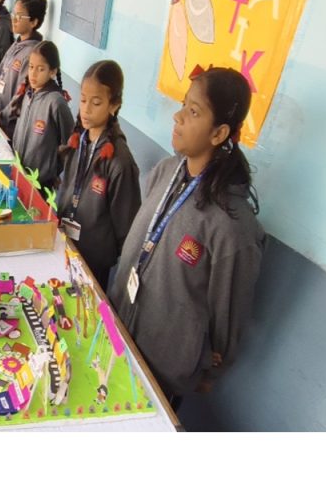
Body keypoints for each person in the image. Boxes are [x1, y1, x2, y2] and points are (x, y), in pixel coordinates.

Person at [108, 67, 265, 403]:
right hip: (117, 331)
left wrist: (209, 370)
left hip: (162, 368)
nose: (177, 117)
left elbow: (228, 314)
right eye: (183, 105)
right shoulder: (166, 171)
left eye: (193, 112)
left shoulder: (232, 226)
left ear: (219, 133)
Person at [55, 60, 141, 289]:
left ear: (114, 105)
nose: (86, 109)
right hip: (64, 243)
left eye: (96, 103)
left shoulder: (120, 162)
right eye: (83, 100)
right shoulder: (78, 140)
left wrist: (105, 254)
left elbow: (126, 229)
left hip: (93, 263)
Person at [9, 40, 73, 192]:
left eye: (40, 69)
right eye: (31, 67)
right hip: (18, 173)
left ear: (52, 72)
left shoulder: (56, 102)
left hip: (41, 184)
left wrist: (54, 170)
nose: (33, 73)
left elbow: (70, 144)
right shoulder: (28, 93)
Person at [0, 0, 46, 143]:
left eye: (20, 16)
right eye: (14, 14)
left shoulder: (32, 54)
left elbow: (21, 95)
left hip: (10, 124)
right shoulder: (17, 44)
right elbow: (0, 73)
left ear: (33, 22)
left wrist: (2, 116)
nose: (14, 19)